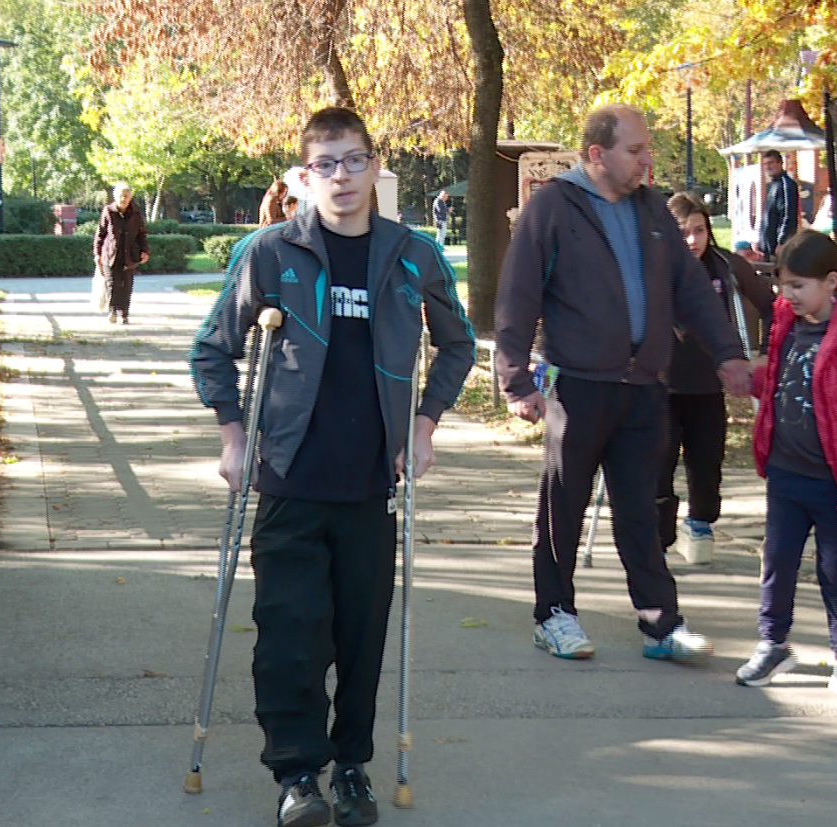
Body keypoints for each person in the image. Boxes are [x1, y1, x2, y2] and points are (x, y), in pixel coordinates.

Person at [190, 107, 474, 827]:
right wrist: (232, 437)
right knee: (289, 635)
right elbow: (212, 349)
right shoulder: (269, 253)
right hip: (288, 478)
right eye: (326, 164)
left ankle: (351, 766)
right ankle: (296, 774)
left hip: (372, 482)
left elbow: (458, 342)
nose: (342, 178)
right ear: (303, 175)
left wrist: (425, 420)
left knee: (360, 634)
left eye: (354, 161)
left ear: (376, 166)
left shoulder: (412, 254)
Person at [495, 103, 750, 664]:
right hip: (578, 385)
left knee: (641, 508)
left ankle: (661, 625)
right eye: (635, 151)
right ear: (596, 154)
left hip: (642, 387)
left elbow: (690, 291)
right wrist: (516, 382)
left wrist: (728, 354)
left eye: (647, 150)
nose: (645, 162)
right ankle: (554, 615)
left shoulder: (652, 212)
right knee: (564, 505)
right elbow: (518, 294)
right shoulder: (554, 208)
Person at [735, 229, 837, 702]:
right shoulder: (788, 324)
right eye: (783, 285)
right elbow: (786, 384)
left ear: (831, 282)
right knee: (778, 563)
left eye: (797, 286)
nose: (787, 295)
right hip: (787, 475)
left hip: (836, 484)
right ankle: (773, 644)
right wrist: (752, 381)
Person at [659, 192, 775, 562]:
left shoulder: (726, 266)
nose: (693, 240)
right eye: (683, 232)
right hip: (657, 384)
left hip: (708, 383)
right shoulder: (651, 265)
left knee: (706, 462)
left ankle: (699, 523)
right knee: (656, 463)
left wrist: (765, 353)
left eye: (699, 230)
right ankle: (656, 535)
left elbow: (774, 305)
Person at [93, 181, 149, 325]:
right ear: (115, 197)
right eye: (121, 196)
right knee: (112, 284)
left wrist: (145, 251)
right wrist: (97, 254)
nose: (123, 199)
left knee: (127, 285)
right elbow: (100, 234)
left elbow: (141, 234)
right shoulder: (108, 211)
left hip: (129, 255)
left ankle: (124, 313)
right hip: (110, 255)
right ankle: (112, 311)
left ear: (130, 197)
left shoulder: (136, 213)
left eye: (126, 196)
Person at [757, 150, 799, 262]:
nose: (768, 167)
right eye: (765, 164)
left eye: (771, 163)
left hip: (778, 249)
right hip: (768, 249)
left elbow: (788, 215)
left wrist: (782, 242)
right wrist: (760, 241)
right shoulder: (774, 185)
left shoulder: (786, 185)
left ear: (780, 163)